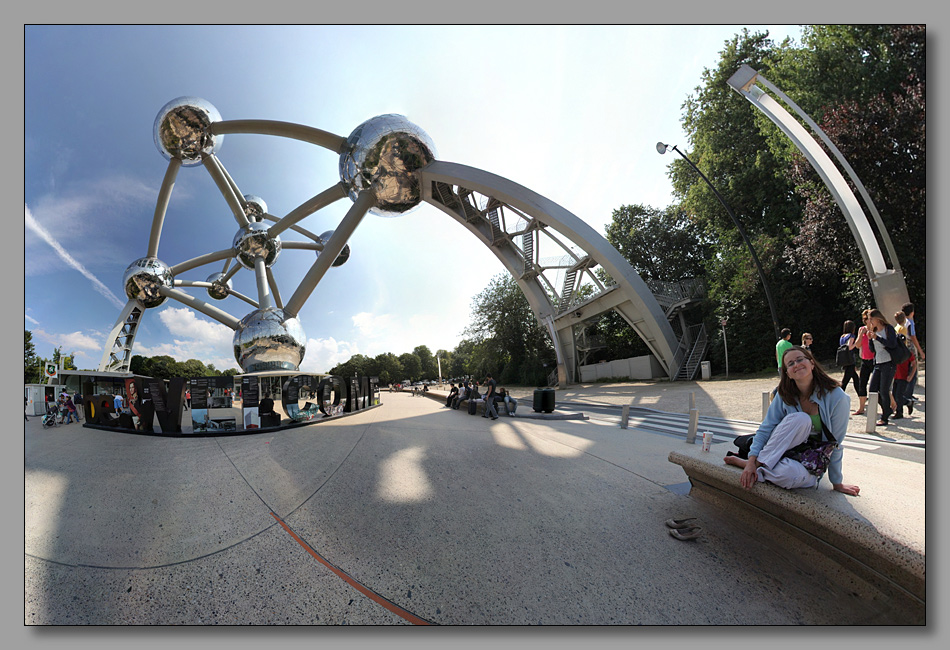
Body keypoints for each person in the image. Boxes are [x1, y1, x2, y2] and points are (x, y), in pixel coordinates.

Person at [724, 346, 860, 496]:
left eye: (800, 359)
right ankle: (755, 464)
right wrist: (751, 460)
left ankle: (758, 466)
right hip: (782, 451)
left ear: (812, 364)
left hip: (811, 458)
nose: (796, 364)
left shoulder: (837, 397)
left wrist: (837, 482)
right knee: (801, 419)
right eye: (790, 364)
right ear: (787, 373)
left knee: (789, 476)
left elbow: (835, 443)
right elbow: (766, 429)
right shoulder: (784, 395)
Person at [867, 309, 899, 426]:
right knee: (872, 389)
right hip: (878, 363)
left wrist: (877, 338)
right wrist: (870, 339)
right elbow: (872, 350)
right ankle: (888, 409)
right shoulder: (873, 330)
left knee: (884, 390)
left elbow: (892, 344)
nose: (870, 322)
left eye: (871, 319)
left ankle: (885, 417)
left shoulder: (888, 328)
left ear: (878, 318)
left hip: (888, 362)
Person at [899, 302, 923, 407]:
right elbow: (913, 336)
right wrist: (920, 351)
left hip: (903, 350)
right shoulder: (910, 323)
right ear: (912, 312)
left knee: (906, 371)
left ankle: (905, 394)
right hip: (911, 350)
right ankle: (908, 394)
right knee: (913, 372)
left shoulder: (902, 322)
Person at [853, 309, 874, 415]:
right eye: (865, 319)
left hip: (875, 360)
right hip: (865, 360)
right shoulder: (861, 329)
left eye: (869, 319)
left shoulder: (876, 329)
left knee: (877, 385)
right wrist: (861, 335)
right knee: (862, 384)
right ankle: (861, 408)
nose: (867, 321)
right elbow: (857, 345)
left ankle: (892, 404)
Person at [838, 320, 860, 397]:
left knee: (856, 378)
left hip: (844, 358)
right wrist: (856, 343)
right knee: (845, 380)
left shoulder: (842, 336)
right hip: (850, 359)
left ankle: (861, 394)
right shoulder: (851, 336)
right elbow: (850, 347)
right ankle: (839, 394)